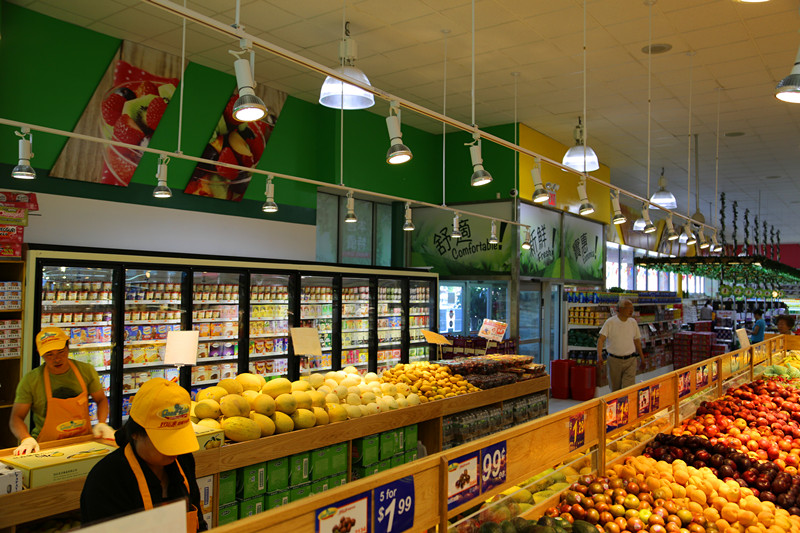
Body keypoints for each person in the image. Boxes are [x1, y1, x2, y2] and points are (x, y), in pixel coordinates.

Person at [81, 378, 206, 531]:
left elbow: (199, 522)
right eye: (165, 441)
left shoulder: (183, 460)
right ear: (135, 433)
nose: (175, 450)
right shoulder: (106, 479)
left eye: (178, 439)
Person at [10, 327, 113, 455]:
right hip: (47, 447)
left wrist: (102, 423)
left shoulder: (86, 371)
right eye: (49, 354)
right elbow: (16, 418)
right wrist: (26, 438)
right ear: (39, 353)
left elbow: (101, 400)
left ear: (68, 347)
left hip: (84, 443)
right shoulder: (31, 380)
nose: (57, 359)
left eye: (61, 352)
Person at [596, 299, 645, 392]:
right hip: (614, 361)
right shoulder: (610, 322)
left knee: (628, 389)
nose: (631, 310)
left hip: (630, 360)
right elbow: (601, 339)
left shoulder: (633, 322)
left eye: (632, 308)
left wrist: (642, 358)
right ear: (620, 309)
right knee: (615, 389)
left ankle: (627, 405)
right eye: (628, 308)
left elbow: (637, 342)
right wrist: (599, 355)